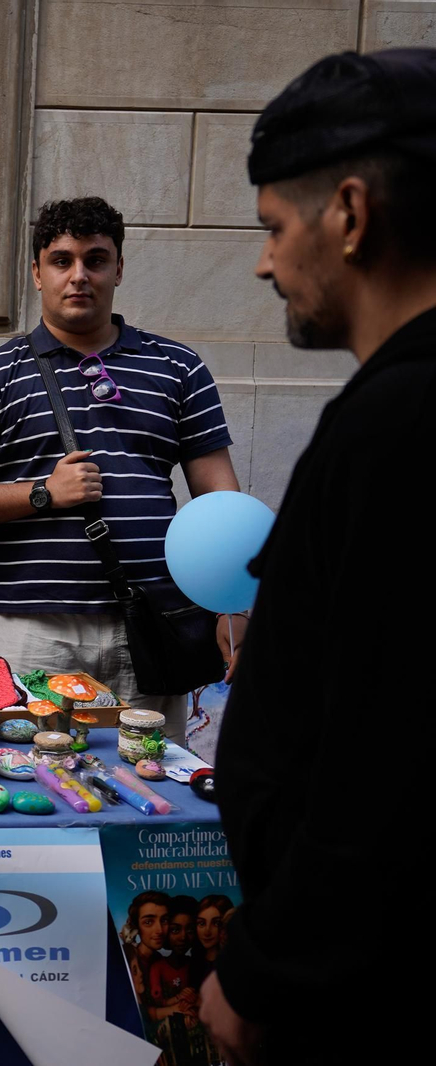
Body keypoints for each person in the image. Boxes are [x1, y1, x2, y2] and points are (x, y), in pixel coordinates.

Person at [206, 47, 436, 1064]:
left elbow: (383, 760)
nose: (262, 264)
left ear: (349, 212)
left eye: (271, 229)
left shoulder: (399, 426)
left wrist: (265, 969)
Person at [0, 197, 245, 740]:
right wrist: (43, 494)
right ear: (36, 272)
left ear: (118, 268)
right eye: (62, 260)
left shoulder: (178, 367)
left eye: (95, 260)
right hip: (29, 633)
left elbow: (222, 501)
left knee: (150, 786)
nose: (79, 276)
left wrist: (233, 606)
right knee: (33, 789)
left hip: (150, 626)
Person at [188, 895, 232, 993]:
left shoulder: (233, 964)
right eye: (201, 923)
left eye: (216, 923)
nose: (207, 931)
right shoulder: (193, 962)